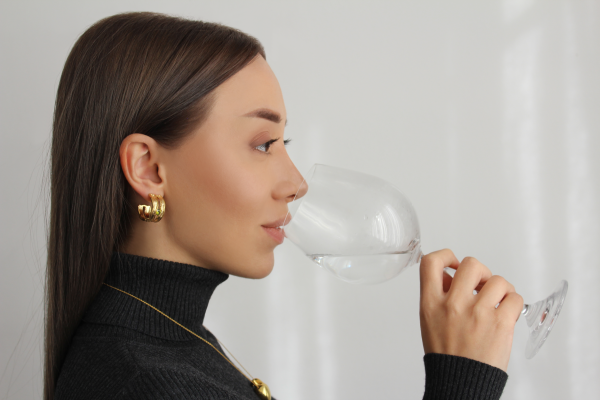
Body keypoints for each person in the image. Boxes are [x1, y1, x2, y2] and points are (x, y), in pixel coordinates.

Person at [45, 11, 524, 400]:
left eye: (283, 140)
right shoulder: (151, 383)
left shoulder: (162, 343)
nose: (296, 183)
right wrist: (462, 379)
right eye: (262, 144)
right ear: (149, 169)